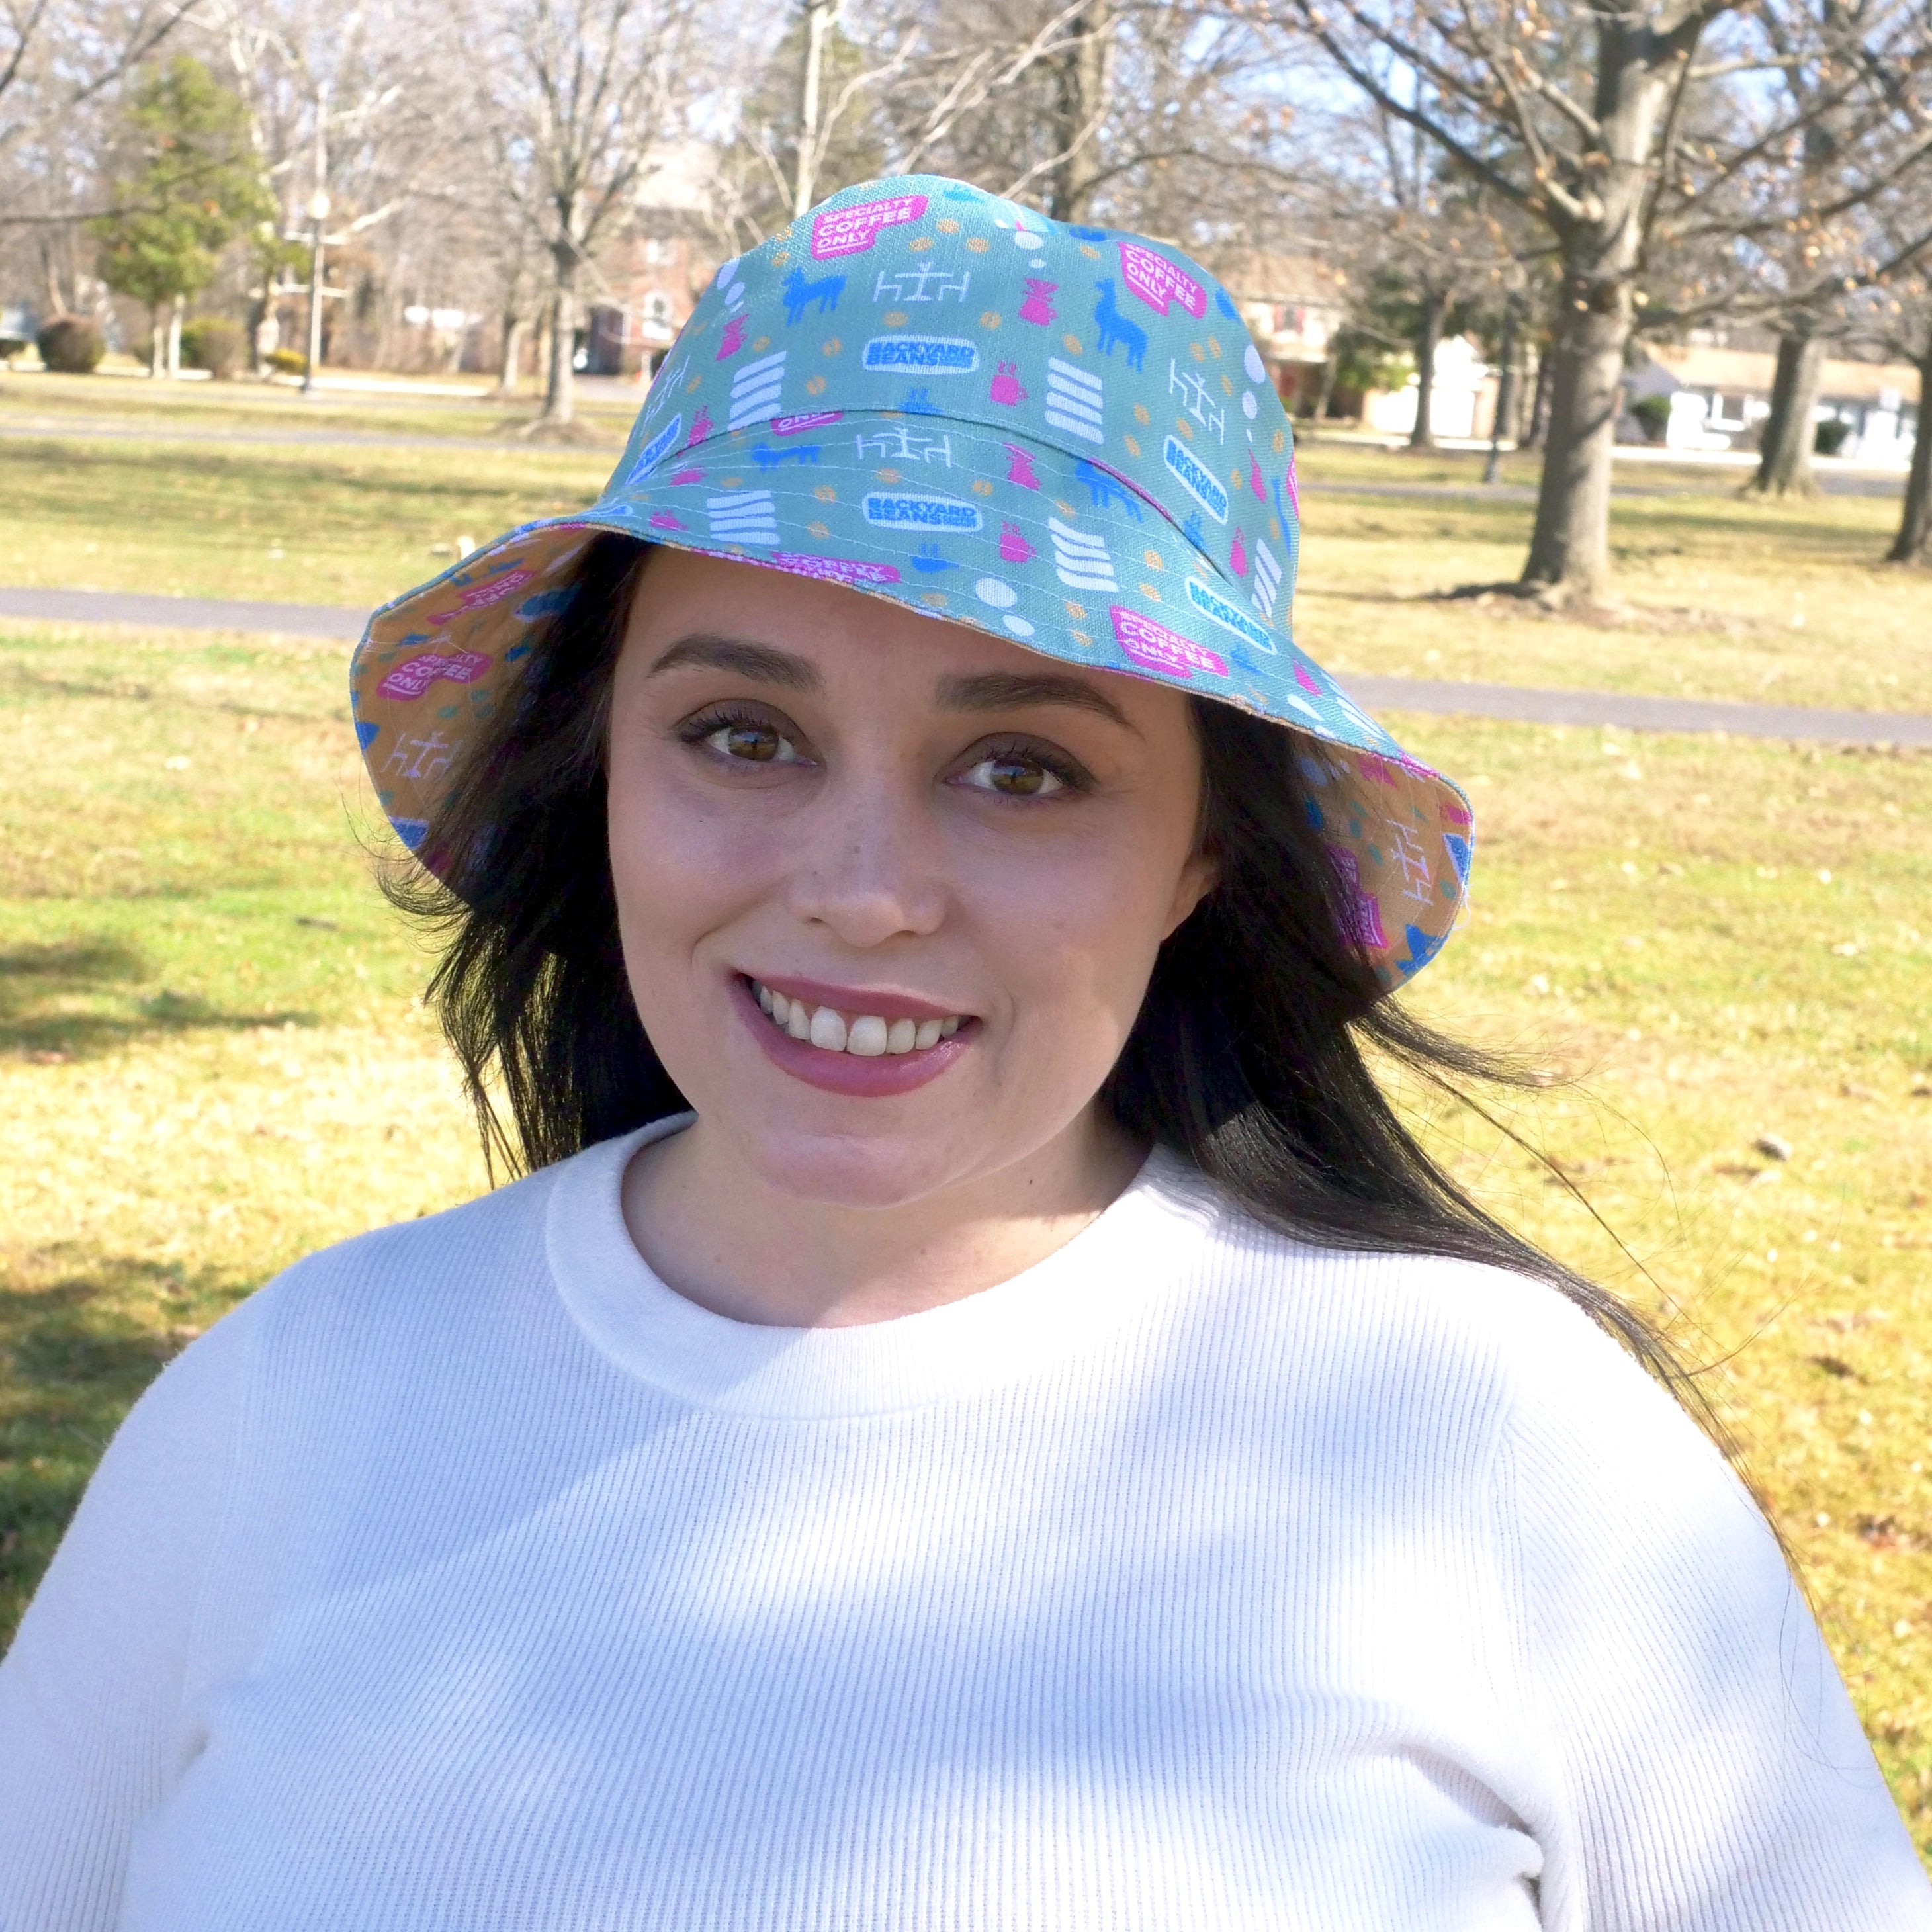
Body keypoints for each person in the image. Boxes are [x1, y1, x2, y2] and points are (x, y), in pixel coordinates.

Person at [3, 175, 1927, 1931]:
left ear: (1201, 849)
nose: (863, 891)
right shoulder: (282, 1412)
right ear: (601, 767)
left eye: (1026, 768)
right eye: (743, 736)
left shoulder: (1513, 1453)